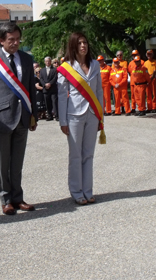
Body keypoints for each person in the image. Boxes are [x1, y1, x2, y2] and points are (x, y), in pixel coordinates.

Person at [0, 22, 37, 216]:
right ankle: (6, 200)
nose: (15, 43)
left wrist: (33, 115)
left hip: (22, 117)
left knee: (17, 163)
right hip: (1, 119)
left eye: (17, 39)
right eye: (11, 40)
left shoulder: (27, 60)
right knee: (2, 164)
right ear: (1, 40)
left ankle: (18, 198)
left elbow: (30, 89)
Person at [57, 32, 104, 205]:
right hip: (74, 115)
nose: (83, 46)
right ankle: (76, 192)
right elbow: (62, 95)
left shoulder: (94, 65)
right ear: (73, 46)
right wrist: (63, 121)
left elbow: (99, 91)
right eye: (80, 43)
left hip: (92, 114)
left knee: (88, 155)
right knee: (76, 155)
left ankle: (88, 191)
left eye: (85, 42)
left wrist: (101, 116)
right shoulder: (67, 67)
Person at [39, 56, 58, 120]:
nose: (48, 62)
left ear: (50, 62)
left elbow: (55, 78)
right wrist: (45, 84)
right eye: (46, 61)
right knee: (47, 103)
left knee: (54, 102)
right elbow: (41, 78)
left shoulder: (54, 70)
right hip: (45, 89)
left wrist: (50, 84)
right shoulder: (42, 70)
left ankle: (56, 115)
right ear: (44, 62)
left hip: (53, 89)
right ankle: (49, 116)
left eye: (49, 61)